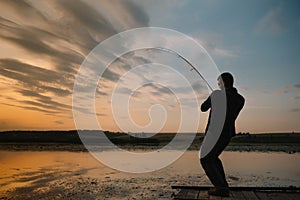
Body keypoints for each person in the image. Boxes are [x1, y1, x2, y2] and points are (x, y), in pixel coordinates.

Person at [200, 72, 245, 197]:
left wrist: (214, 96)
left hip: (214, 133)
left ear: (223, 83)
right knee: (213, 157)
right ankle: (223, 186)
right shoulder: (240, 99)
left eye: (219, 83)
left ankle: (221, 188)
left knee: (205, 159)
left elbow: (203, 108)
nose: (218, 85)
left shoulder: (216, 94)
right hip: (227, 134)